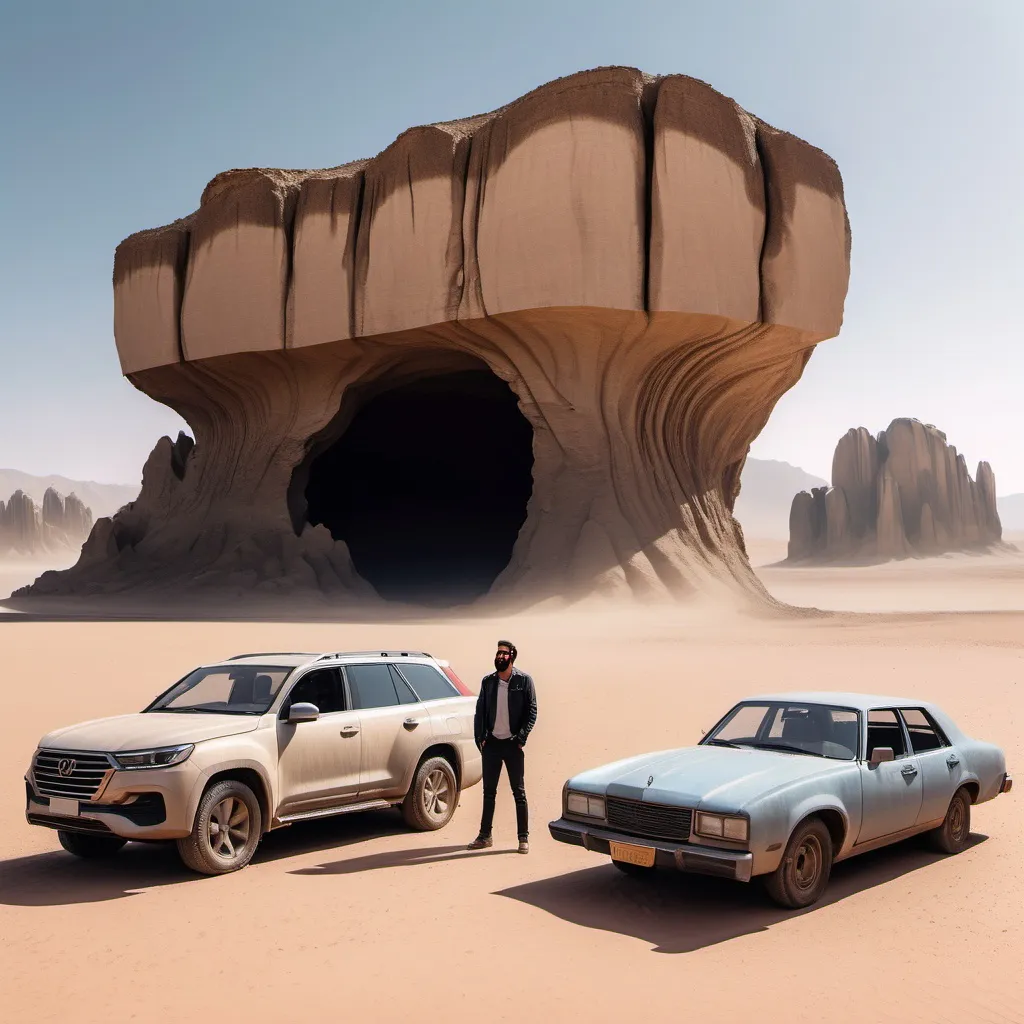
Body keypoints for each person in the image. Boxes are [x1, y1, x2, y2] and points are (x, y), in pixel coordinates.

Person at [467, 640, 537, 854]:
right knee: (489, 792)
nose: (500, 656)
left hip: (512, 745)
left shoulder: (524, 681)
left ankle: (523, 838)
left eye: (504, 653)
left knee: (519, 793)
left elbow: (532, 711)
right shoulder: (488, 682)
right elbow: (480, 711)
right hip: (492, 745)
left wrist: (521, 738)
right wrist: (480, 739)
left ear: (512, 656)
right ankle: (485, 835)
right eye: (498, 653)